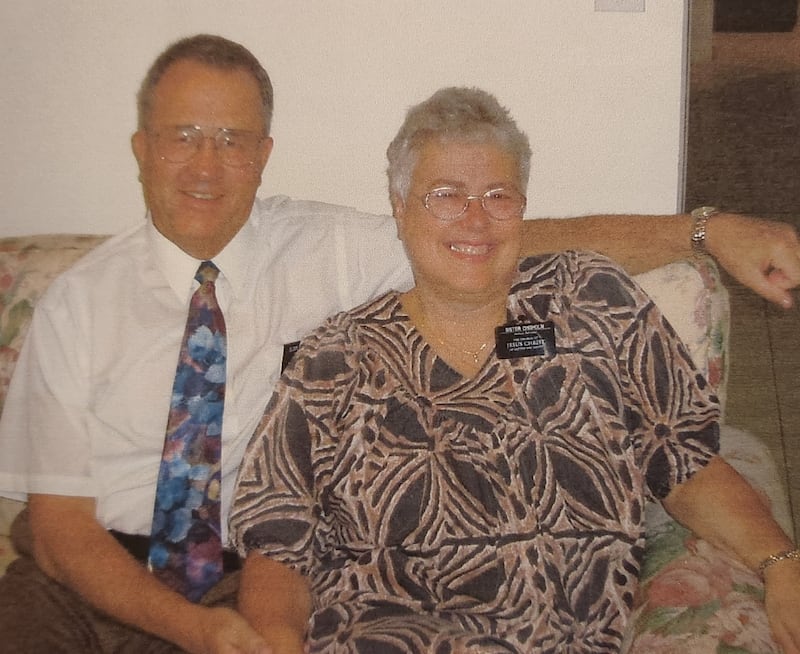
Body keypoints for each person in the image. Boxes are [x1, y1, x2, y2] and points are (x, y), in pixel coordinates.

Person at [0, 33, 797, 654]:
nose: (209, 164)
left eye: (234, 138)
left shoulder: (349, 252)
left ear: (265, 155)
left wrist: (706, 229)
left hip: (235, 589)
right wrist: (226, 632)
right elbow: (67, 532)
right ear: (143, 148)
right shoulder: (88, 306)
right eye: (184, 136)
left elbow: (496, 249)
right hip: (93, 582)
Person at [230, 86, 800, 654]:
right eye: (446, 195)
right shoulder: (336, 357)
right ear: (400, 210)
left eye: (498, 195)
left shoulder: (590, 301)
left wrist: (781, 563)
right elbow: (279, 545)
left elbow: (684, 462)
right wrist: (278, 640)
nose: (476, 219)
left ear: (523, 207)